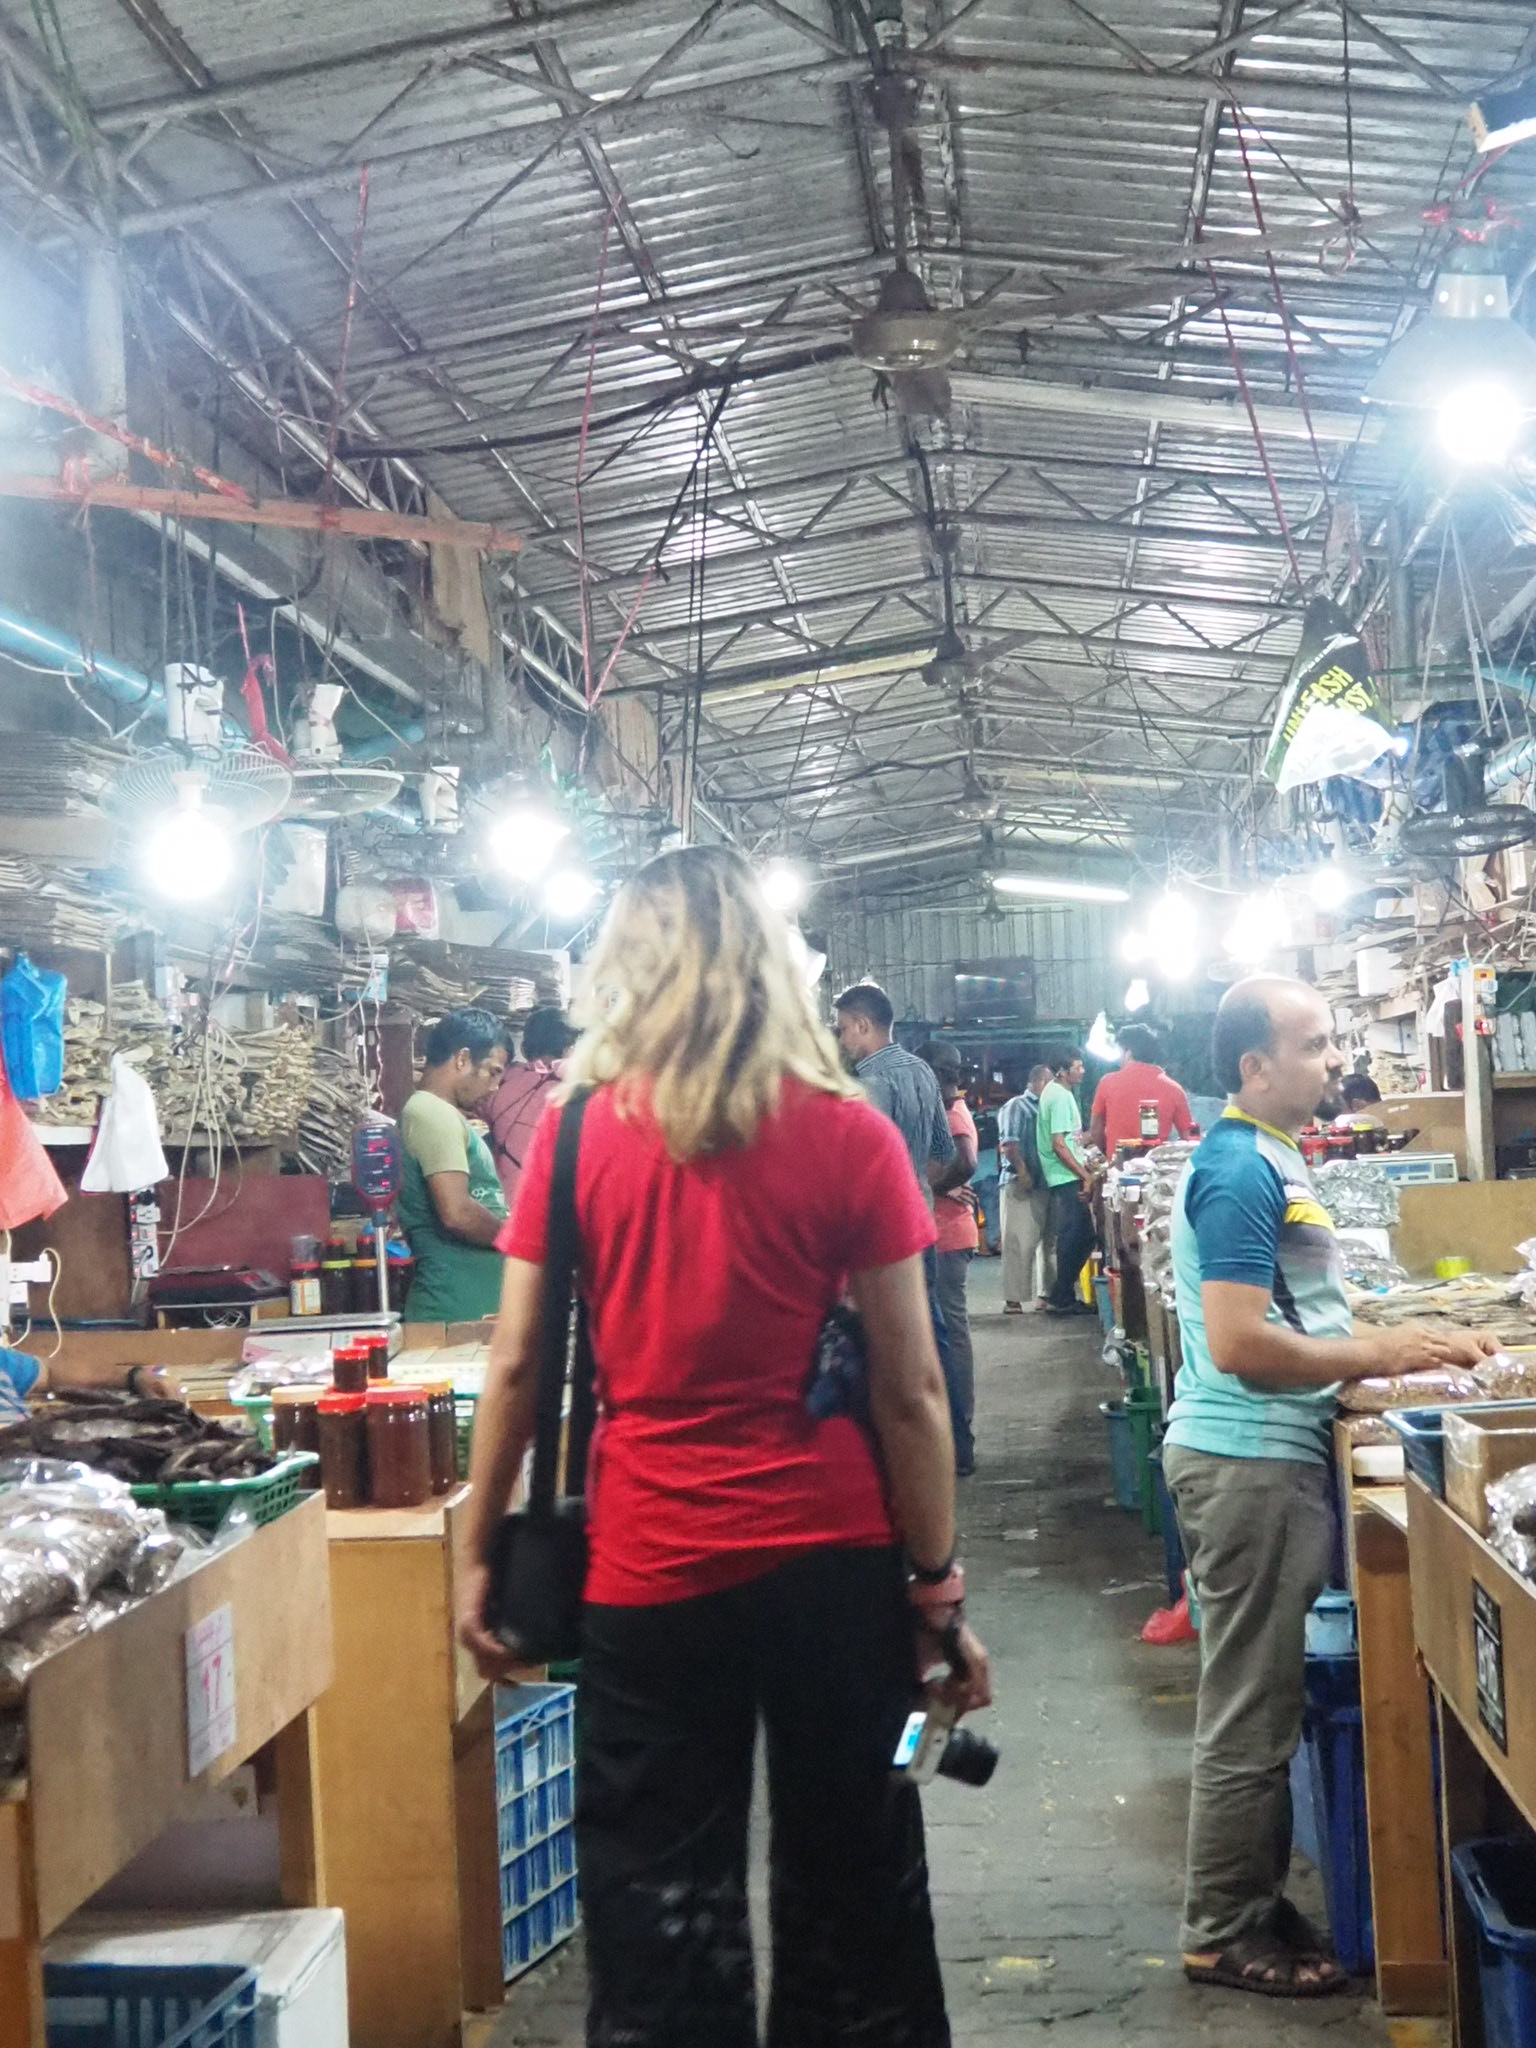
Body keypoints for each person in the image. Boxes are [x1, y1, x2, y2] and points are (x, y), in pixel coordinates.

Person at [457, 847, 991, 2048]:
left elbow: (519, 1363)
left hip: (649, 1573)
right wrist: (936, 1587)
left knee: (659, 1901)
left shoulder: (578, 1134)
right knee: (858, 1882)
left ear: (624, 966)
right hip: (833, 1571)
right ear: (776, 964)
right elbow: (910, 1389)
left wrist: (481, 1549)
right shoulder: (849, 1132)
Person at [1164, 976, 1496, 1999]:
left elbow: (1293, 1309)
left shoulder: (1271, 1154)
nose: (1335, 1058)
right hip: (1246, 1460)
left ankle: (1250, 1899)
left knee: (1259, 1700)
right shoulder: (1237, 1168)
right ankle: (1221, 1928)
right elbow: (1240, 1341)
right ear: (1254, 1065)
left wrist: (1390, 1340)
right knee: (1250, 1708)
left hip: (1270, 1455)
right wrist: (1383, 1349)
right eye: (1313, 1044)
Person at [833, 983, 974, 1476]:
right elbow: (943, 1151)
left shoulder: (870, 1084)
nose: (843, 1040)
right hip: (924, 1223)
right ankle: (959, 1445)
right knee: (936, 1335)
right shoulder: (921, 1072)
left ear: (864, 1025)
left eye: (844, 1029)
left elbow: (863, 1166)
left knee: (891, 1345)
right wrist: (918, 1187)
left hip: (885, 1236)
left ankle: (905, 1459)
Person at [397, 1008, 511, 1324]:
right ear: (462, 1059)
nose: (494, 1087)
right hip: (452, 1312)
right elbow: (457, 1214)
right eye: (492, 1072)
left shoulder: (439, 1113)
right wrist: (519, 1240)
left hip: (466, 1309)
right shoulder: (431, 1113)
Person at [922, 1042, 978, 1465]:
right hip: (945, 1232)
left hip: (947, 1235)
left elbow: (967, 1162)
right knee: (948, 1330)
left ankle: (961, 1425)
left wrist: (932, 1188)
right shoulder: (944, 1109)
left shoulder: (951, 1112)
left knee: (950, 1332)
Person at [487, 1005, 578, 1207]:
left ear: (523, 1049)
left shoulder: (500, 1083)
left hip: (502, 1207)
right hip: (556, 1210)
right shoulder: (580, 1090)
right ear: (569, 1049)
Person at [1037, 1048, 1097, 1316]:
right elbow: (1059, 1144)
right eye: (1078, 1067)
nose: (1082, 1071)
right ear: (1063, 1071)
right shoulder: (1060, 1097)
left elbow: (1071, 1140)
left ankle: (1062, 1294)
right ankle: (1061, 1296)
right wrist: (1085, 1175)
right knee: (1077, 1236)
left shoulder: (1057, 1092)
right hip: (1065, 1175)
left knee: (1078, 1236)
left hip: (1066, 1173)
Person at [1088, 1022, 1194, 1157]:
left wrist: (1109, 1154)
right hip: (1157, 1166)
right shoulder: (1175, 1089)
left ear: (1128, 1052)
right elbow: (1189, 1138)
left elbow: (1095, 1130)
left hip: (1118, 1164)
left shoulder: (1107, 1083)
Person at [997, 1062, 1052, 1314]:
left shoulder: (1047, 1107)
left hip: (1045, 1182)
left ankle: (1045, 1295)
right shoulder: (1017, 1106)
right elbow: (1010, 1144)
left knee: (1048, 1243)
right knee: (1018, 1242)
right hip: (1020, 1182)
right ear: (1040, 1082)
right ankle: (1014, 1299)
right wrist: (1022, 1171)